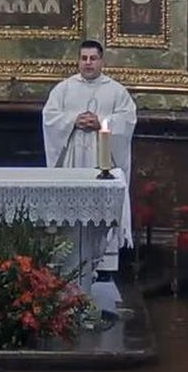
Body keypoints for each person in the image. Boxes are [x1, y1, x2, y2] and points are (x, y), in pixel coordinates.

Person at [42, 40, 137, 277]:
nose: (88, 63)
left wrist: (102, 122)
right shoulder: (64, 89)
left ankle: (102, 264)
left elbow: (127, 120)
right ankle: (69, 263)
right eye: (83, 58)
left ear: (101, 61)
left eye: (93, 58)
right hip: (73, 159)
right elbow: (50, 117)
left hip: (101, 159)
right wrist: (73, 120)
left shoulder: (116, 91)